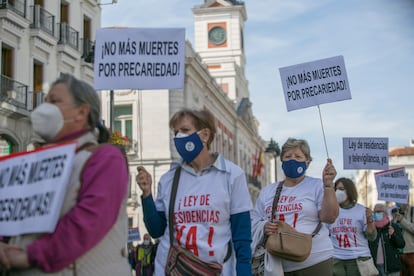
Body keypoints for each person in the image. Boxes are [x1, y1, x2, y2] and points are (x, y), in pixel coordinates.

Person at [0, 74, 130, 275]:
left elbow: (88, 221)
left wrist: (31, 255)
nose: (45, 107)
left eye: (54, 101)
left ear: (81, 112)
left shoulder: (104, 158)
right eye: (45, 101)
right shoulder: (31, 161)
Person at [136, 108, 252, 276]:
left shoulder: (231, 175)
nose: (178, 137)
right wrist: (146, 194)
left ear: (205, 135)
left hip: (216, 270)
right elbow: (156, 230)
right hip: (172, 270)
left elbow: (242, 236)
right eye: (175, 132)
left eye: (184, 130)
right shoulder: (169, 179)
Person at [251, 137, 339, 276]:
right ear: (282, 161)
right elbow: (253, 220)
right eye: (288, 156)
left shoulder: (317, 185)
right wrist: (263, 226)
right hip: (278, 265)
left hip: (315, 262)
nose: (292, 160)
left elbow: (330, 217)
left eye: (298, 156)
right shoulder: (268, 191)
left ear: (307, 162)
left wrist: (328, 185)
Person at [327, 177, 377, 276]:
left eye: (341, 189)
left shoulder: (361, 210)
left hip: (358, 260)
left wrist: (370, 220)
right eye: (336, 189)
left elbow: (372, 237)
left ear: (349, 191)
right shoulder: (330, 211)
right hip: (337, 261)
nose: (338, 192)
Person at [368, 203, 405, 276]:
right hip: (375, 267)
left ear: (385, 213)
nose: (376, 214)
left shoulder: (393, 226)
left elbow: (401, 244)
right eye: (374, 212)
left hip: (391, 266)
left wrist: (393, 234)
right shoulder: (372, 228)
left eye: (378, 212)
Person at [392, 203, 414, 276]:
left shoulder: (412, 211)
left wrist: (402, 220)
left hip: (410, 252)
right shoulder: (396, 211)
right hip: (397, 252)